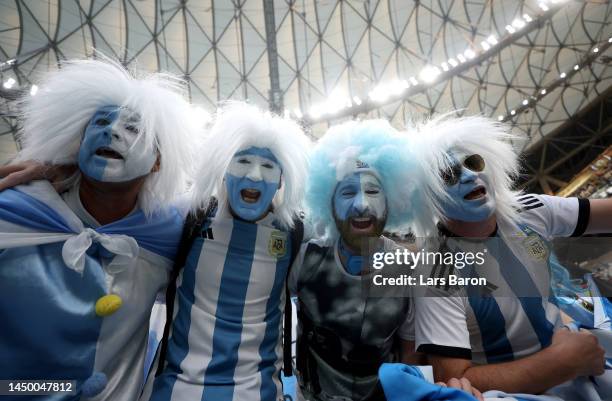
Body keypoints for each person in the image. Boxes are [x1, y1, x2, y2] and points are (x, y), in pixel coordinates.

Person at [0, 58, 197, 400]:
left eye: (133, 128)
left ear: (157, 161)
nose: (112, 131)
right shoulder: (17, 210)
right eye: (101, 122)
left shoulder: (170, 234)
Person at [411, 114, 612, 396]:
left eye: (473, 162)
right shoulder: (435, 272)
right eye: (449, 175)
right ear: (429, 197)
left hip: (582, 351)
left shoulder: (528, 210)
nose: (469, 175)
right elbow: (455, 381)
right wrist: (560, 362)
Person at [289, 120, 482, 401]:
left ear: (392, 200)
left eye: (372, 191)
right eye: (346, 192)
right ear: (327, 204)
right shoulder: (306, 259)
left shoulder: (408, 268)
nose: (361, 205)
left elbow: (408, 355)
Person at [147, 102, 311, 401]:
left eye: (269, 166)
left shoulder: (294, 233)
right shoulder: (187, 217)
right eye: (243, 161)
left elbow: (356, 250)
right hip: (177, 390)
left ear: (281, 181)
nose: (255, 176)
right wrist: (56, 172)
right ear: (223, 170)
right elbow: (121, 217)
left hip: (258, 392)